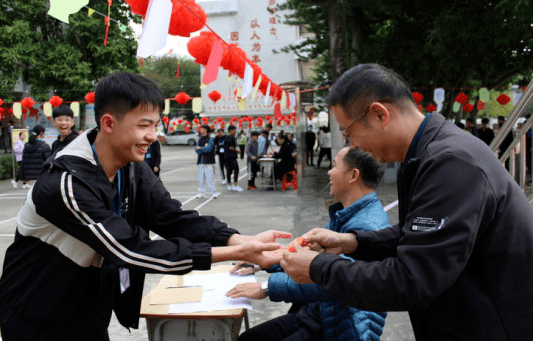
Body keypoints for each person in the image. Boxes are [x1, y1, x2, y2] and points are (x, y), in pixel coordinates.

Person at [0, 72, 291, 341]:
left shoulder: (132, 168)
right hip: (37, 316)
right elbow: (130, 249)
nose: (153, 135)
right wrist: (239, 253)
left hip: (89, 310)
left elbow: (173, 218)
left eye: (156, 125)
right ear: (109, 123)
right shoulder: (65, 183)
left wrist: (243, 240)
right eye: (144, 125)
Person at [280, 63, 533, 340]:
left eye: (349, 133)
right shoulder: (423, 155)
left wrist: (318, 268)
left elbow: (412, 280)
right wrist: (353, 242)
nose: (353, 146)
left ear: (379, 114)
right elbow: (419, 234)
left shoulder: (451, 162)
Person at [227, 147, 390, 341]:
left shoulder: (367, 226)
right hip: (320, 313)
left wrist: (267, 288)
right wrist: (264, 261)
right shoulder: (347, 214)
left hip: (342, 327)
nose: (329, 172)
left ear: (353, 175)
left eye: (335, 165)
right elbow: (308, 259)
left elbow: (331, 281)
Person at [195, 125, 218, 199]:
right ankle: (201, 192)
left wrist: (201, 148)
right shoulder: (200, 139)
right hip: (200, 162)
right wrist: (202, 149)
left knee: (210, 178)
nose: (200, 130)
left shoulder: (210, 139)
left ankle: (213, 192)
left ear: (206, 130)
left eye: (202, 129)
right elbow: (196, 149)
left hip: (208, 161)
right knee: (201, 179)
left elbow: (209, 149)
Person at [225, 125, 243, 191]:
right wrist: (237, 151)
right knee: (236, 170)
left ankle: (229, 185)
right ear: (230, 130)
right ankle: (236, 185)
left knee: (229, 170)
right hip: (231, 156)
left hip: (227, 156)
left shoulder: (226, 137)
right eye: (234, 130)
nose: (235, 131)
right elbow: (231, 147)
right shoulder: (231, 138)